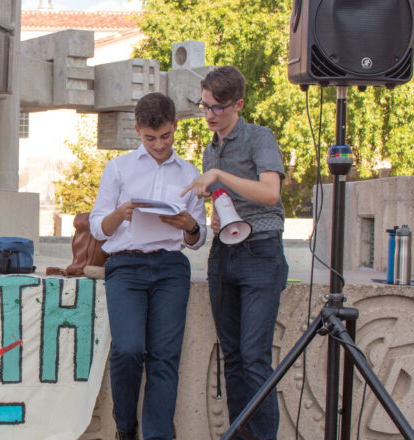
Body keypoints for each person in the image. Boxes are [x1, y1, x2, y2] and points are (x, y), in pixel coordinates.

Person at [90, 92, 206, 440]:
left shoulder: (189, 172)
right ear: (138, 130)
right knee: (128, 350)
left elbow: (199, 239)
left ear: (175, 128)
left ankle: (157, 435)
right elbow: (97, 226)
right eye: (151, 138)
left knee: (165, 357)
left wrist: (189, 225)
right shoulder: (119, 168)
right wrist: (119, 214)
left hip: (171, 268)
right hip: (125, 266)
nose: (159, 144)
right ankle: (126, 427)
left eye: (166, 136)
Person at [182, 65, 289, 440]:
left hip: (261, 253)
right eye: (205, 105)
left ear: (238, 104)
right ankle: (241, 435)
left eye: (217, 107)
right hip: (224, 255)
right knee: (234, 358)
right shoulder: (212, 149)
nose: (209, 114)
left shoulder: (259, 137)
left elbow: (270, 194)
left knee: (255, 357)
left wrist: (219, 177)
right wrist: (214, 219)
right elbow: (227, 204)